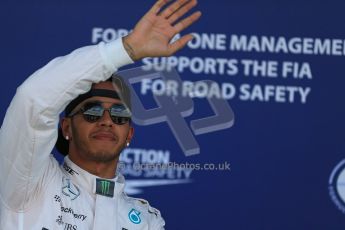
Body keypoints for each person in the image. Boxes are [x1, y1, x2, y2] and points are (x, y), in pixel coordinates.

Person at [0, 0, 201, 229]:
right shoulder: (28, 183)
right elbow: (33, 99)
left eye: (119, 114)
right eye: (92, 111)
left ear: (129, 134)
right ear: (67, 127)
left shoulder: (146, 221)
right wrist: (127, 50)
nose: (107, 121)